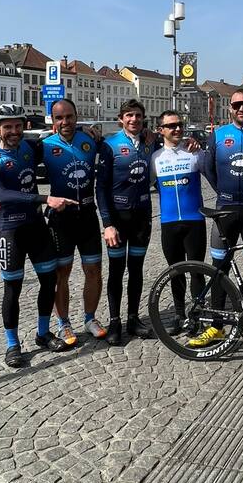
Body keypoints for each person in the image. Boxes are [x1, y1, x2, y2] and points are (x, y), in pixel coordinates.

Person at [0, 104, 76, 367]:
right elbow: (2, 195)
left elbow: (60, 136)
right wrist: (46, 198)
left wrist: (88, 130)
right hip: (10, 230)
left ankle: (43, 333)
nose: (13, 131)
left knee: (48, 281)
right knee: (13, 288)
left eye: (18, 126)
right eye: (7, 127)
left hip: (36, 227)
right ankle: (12, 345)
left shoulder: (29, 148)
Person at [190, 87, 243, 347]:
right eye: (236, 105)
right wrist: (220, 191)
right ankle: (217, 326)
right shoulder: (219, 135)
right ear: (230, 108)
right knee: (219, 269)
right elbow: (207, 167)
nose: (241, 109)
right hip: (224, 210)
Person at [41, 99, 106, 345]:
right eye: (59, 118)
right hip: (61, 219)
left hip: (88, 215)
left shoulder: (90, 140)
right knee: (62, 274)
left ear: (77, 117)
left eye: (69, 116)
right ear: (53, 120)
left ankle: (90, 318)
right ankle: (64, 323)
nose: (65, 122)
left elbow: (128, 138)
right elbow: (13, 152)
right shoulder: (44, 145)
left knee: (94, 271)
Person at [96, 99, 154, 345]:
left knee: (137, 270)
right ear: (121, 119)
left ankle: (133, 318)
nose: (134, 120)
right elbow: (101, 189)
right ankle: (114, 321)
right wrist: (107, 223)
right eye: (129, 115)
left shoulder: (150, 143)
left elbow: (173, 139)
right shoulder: (110, 146)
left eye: (138, 116)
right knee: (117, 272)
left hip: (141, 217)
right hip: (118, 220)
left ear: (143, 119)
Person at [151, 110, 206, 335]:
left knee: (196, 271)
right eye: (171, 126)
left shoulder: (194, 153)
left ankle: (197, 315)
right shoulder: (155, 158)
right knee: (175, 272)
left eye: (180, 125)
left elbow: (214, 172)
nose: (177, 129)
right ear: (160, 130)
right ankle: (179, 314)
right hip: (169, 222)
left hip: (194, 220)